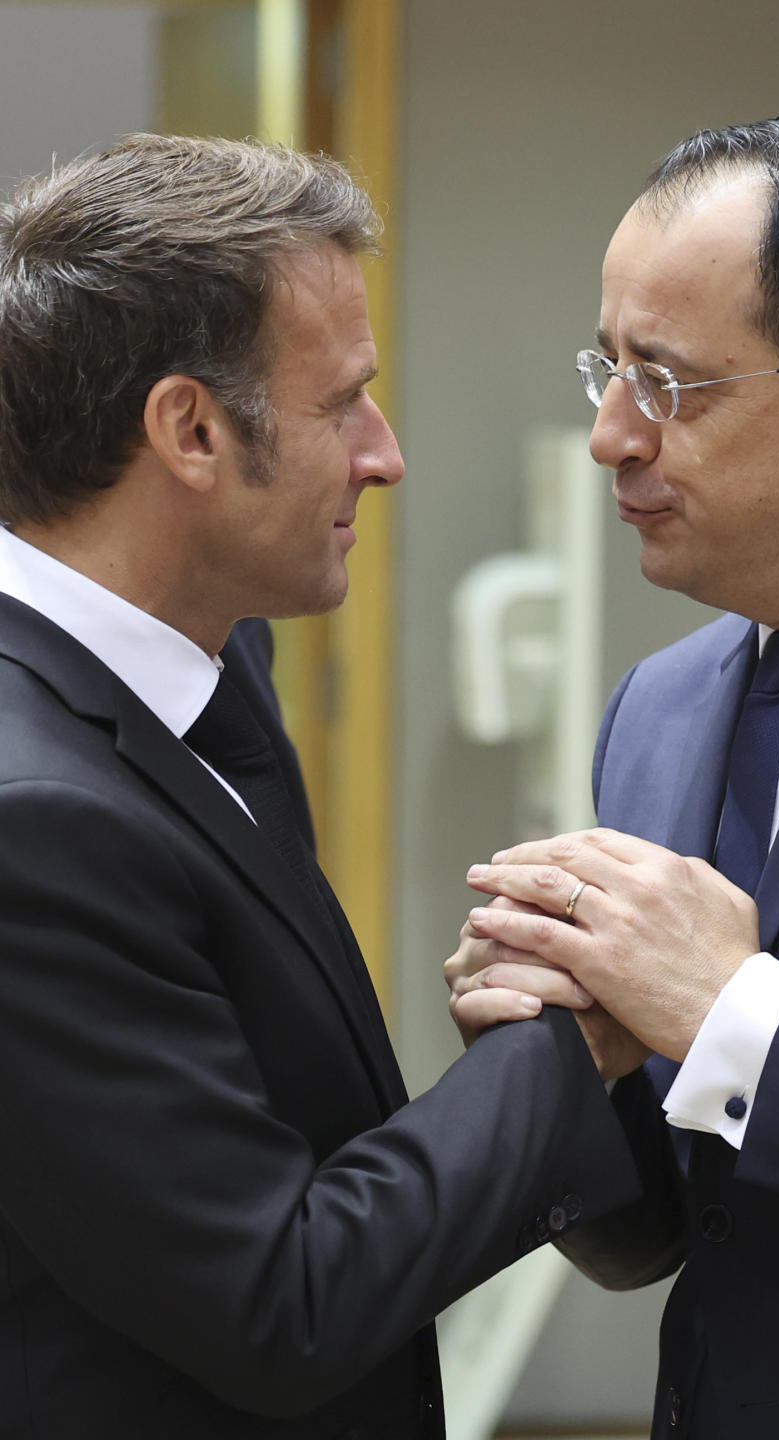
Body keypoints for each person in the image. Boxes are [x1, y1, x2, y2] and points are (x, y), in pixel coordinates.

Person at [0, 134, 642, 1439]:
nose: (386, 454)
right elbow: (279, 1301)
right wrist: (562, 1046)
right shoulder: (32, 823)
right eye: (343, 401)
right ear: (188, 429)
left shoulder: (219, 658)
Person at [446, 113, 779, 1439]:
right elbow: (667, 1230)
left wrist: (735, 1011)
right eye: (605, 368)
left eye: (667, 383)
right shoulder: (659, 708)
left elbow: (742, 1037)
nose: (614, 435)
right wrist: (568, 1062)